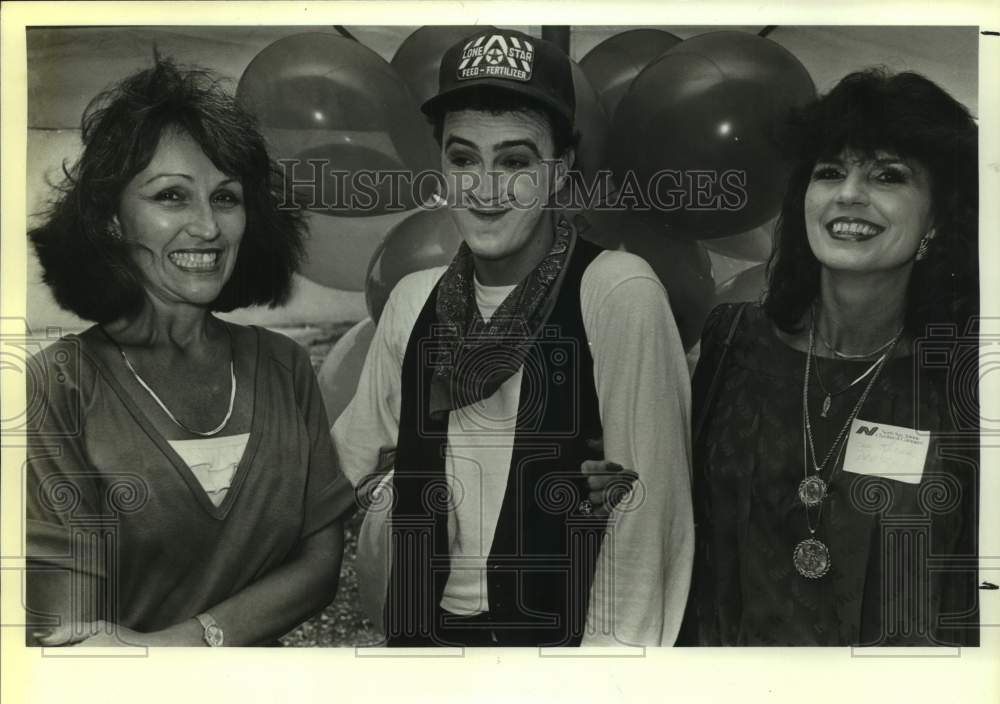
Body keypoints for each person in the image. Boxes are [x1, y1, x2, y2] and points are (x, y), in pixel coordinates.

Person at [333, 29, 694, 646]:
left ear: (561, 168)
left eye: (516, 160)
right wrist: (399, 502)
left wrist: (608, 677)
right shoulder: (415, 300)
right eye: (464, 158)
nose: (486, 186)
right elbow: (352, 462)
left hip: (561, 650)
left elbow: (648, 510)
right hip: (427, 642)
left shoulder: (615, 291)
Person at [26, 58, 350, 647]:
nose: (207, 227)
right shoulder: (60, 384)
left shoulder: (284, 366)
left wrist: (173, 646)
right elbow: (66, 633)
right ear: (111, 222)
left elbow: (319, 567)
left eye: (226, 198)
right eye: (172, 196)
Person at [676, 69, 980, 645]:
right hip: (730, 703)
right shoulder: (731, 346)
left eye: (887, 176)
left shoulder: (964, 381)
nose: (848, 194)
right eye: (830, 172)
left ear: (938, 219)